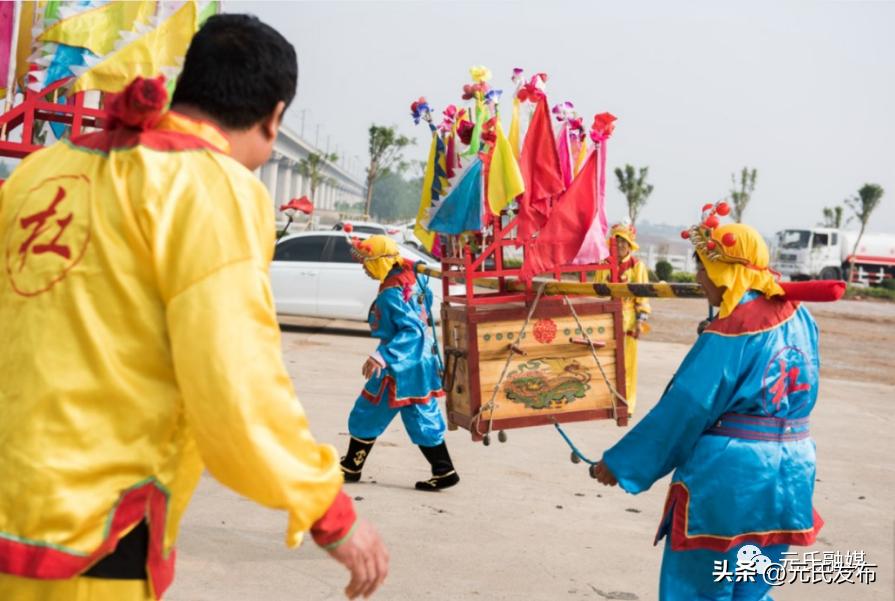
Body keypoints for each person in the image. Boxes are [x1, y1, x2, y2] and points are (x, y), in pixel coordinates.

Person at [0, 15, 387, 601]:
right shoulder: (211, 185)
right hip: (91, 535)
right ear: (274, 116)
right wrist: (327, 510)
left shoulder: (39, 171)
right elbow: (235, 383)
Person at [591, 207, 824, 601]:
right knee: (752, 585)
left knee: (700, 585)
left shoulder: (733, 329)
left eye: (702, 269)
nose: (699, 279)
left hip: (730, 475)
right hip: (792, 467)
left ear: (722, 270)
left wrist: (622, 464)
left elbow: (686, 407)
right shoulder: (801, 315)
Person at [340, 235, 460, 492]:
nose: (364, 267)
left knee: (368, 410)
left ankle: (351, 466)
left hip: (398, 364)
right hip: (418, 362)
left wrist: (380, 357)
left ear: (379, 262)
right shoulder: (409, 278)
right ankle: (444, 469)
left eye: (367, 262)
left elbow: (412, 331)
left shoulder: (392, 292)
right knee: (420, 415)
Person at [594, 222, 651, 416]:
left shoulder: (637, 266)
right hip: (607, 318)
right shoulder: (605, 263)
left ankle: (627, 405)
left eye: (622, 242)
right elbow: (598, 290)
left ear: (629, 244)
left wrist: (640, 321)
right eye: (616, 241)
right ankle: (608, 401)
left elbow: (642, 297)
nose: (619, 245)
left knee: (627, 365)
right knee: (607, 361)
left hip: (628, 320)